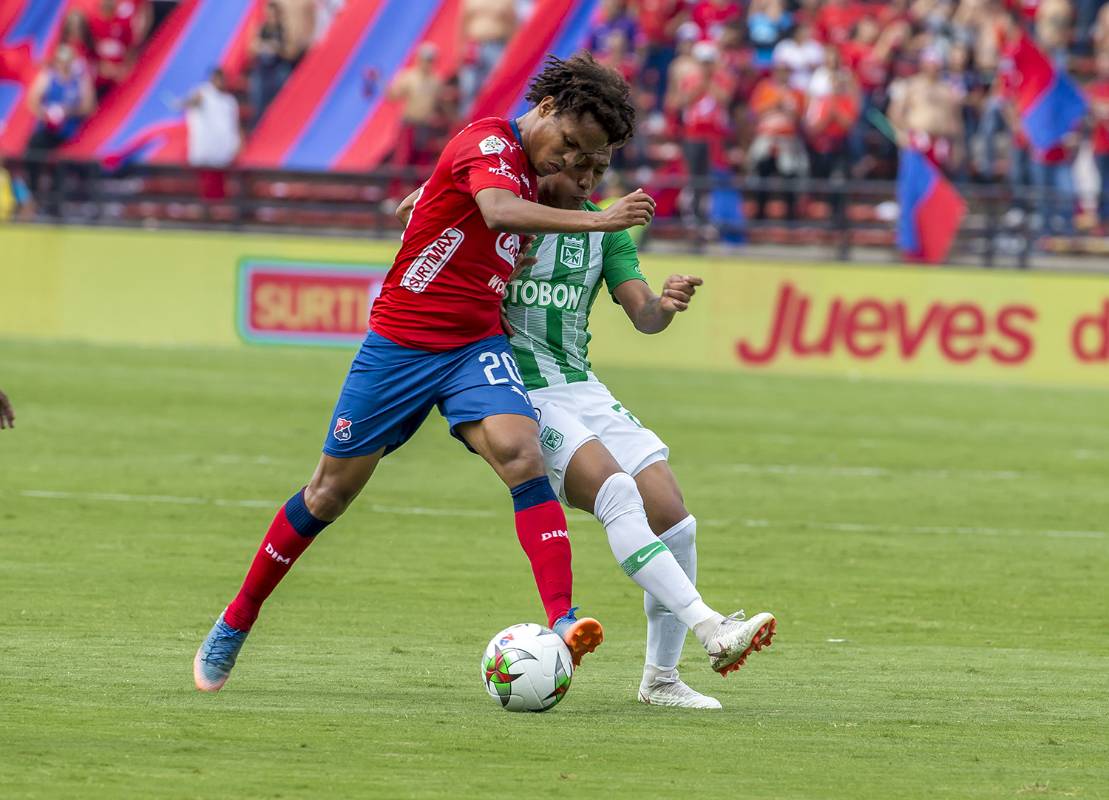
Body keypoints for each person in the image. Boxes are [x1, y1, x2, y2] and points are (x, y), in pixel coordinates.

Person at [193, 53, 656, 693]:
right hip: (401, 345)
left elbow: (440, 202)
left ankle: (563, 620)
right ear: (546, 109)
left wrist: (447, 213)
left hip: (474, 347)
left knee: (522, 454)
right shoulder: (489, 143)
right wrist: (597, 219)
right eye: (571, 144)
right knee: (328, 495)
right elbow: (496, 211)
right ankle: (238, 617)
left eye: (588, 157)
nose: (572, 162)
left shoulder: (540, 175)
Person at [492, 150, 776, 706]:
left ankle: (661, 680)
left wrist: (665, 305)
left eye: (597, 172)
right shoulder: (506, 214)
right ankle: (711, 627)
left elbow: (643, 314)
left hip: (580, 386)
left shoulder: (607, 231)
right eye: (578, 167)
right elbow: (424, 217)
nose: (587, 181)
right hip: (517, 390)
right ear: (550, 157)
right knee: (616, 490)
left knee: (675, 518)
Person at [25, 45, 95, 205]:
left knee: (63, 163)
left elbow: (88, 106)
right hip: (47, 131)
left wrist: (67, 111)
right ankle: (33, 194)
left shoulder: (80, 78)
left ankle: (57, 203)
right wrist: (47, 114)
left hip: (70, 132)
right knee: (33, 151)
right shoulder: (48, 76)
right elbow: (32, 100)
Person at [458, 0, 518, 113]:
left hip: (496, 46)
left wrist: (512, 49)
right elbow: (463, 23)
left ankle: (490, 117)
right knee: (468, 87)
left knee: (494, 85)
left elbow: (513, 24)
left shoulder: (507, 2)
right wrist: (460, 48)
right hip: (474, 45)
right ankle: (468, 119)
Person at [249, 2, 293, 126]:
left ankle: (279, 120)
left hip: (278, 67)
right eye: (269, 15)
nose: (271, 18)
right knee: (258, 93)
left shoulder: (283, 31)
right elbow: (251, 49)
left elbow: (290, 53)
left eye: (274, 15)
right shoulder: (261, 29)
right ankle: (258, 123)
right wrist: (261, 46)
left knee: (282, 87)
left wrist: (278, 49)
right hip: (263, 68)